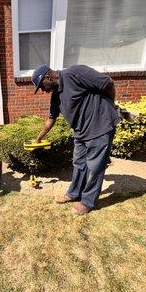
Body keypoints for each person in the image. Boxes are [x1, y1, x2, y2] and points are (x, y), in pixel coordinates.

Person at [32, 64, 119, 215]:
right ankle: (74, 193)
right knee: (79, 163)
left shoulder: (75, 73)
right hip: (81, 132)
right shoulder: (56, 96)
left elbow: (108, 83)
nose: (43, 90)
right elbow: (50, 119)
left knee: (95, 167)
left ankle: (87, 202)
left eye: (41, 86)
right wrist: (38, 138)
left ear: (48, 77)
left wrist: (110, 105)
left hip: (100, 126)